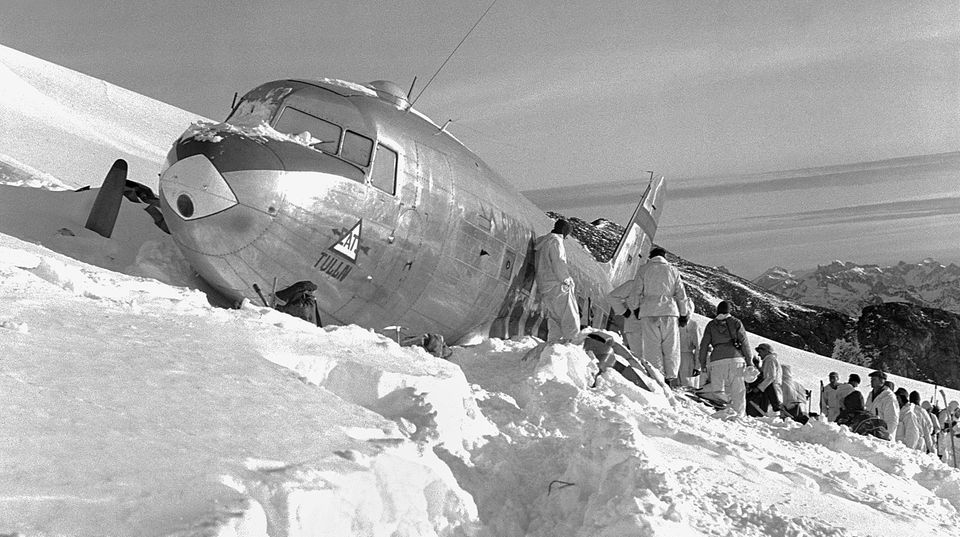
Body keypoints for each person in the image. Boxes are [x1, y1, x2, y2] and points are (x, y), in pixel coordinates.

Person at [608, 247, 689, 386]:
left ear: (651, 257)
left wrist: (636, 309)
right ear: (664, 257)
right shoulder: (673, 270)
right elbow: (681, 295)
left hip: (648, 312)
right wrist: (683, 314)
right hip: (669, 311)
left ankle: (657, 378)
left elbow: (636, 292)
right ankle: (670, 377)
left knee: (652, 347)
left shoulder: (644, 269)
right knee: (671, 346)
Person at [697, 300, 752, 416]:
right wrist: (749, 362)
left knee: (717, 390)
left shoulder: (711, 325)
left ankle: (724, 407)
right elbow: (744, 343)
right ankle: (739, 415)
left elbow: (704, 345)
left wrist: (702, 363)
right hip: (736, 360)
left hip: (716, 361)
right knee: (738, 390)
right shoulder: (736, 322)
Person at [534, 219, 581, 342]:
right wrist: (566, 280)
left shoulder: (543, 241)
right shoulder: (556, 241)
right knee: (570, 318)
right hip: (557, 285)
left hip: (545, 287)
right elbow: (558, 262)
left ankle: (553, 344)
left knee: (555, 319)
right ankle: (572, 345)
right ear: (564, 230)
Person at [866, 370, 899, 440]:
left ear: (882, 381)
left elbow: (892, 419)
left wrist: (886, 435)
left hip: (882, 436)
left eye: (874, 379)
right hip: (870, 433)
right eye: (871, 379)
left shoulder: (889, 397)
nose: (871, 381)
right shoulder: (871, 395)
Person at [678, 298, 701, 388]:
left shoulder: (693, 325)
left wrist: (697, 366)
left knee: (687, 388)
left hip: (686, 359)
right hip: (674, 357)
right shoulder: (674, 322)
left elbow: (699, 346)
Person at [753, 343, 782, 415]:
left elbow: (770, 377)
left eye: (760, 352)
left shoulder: (770, 360)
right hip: (769, 387)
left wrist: (759, 388)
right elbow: (765, 373)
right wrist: (757, 366)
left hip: (771, 389)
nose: (759, 354)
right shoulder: (769, 360)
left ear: (766, 351)